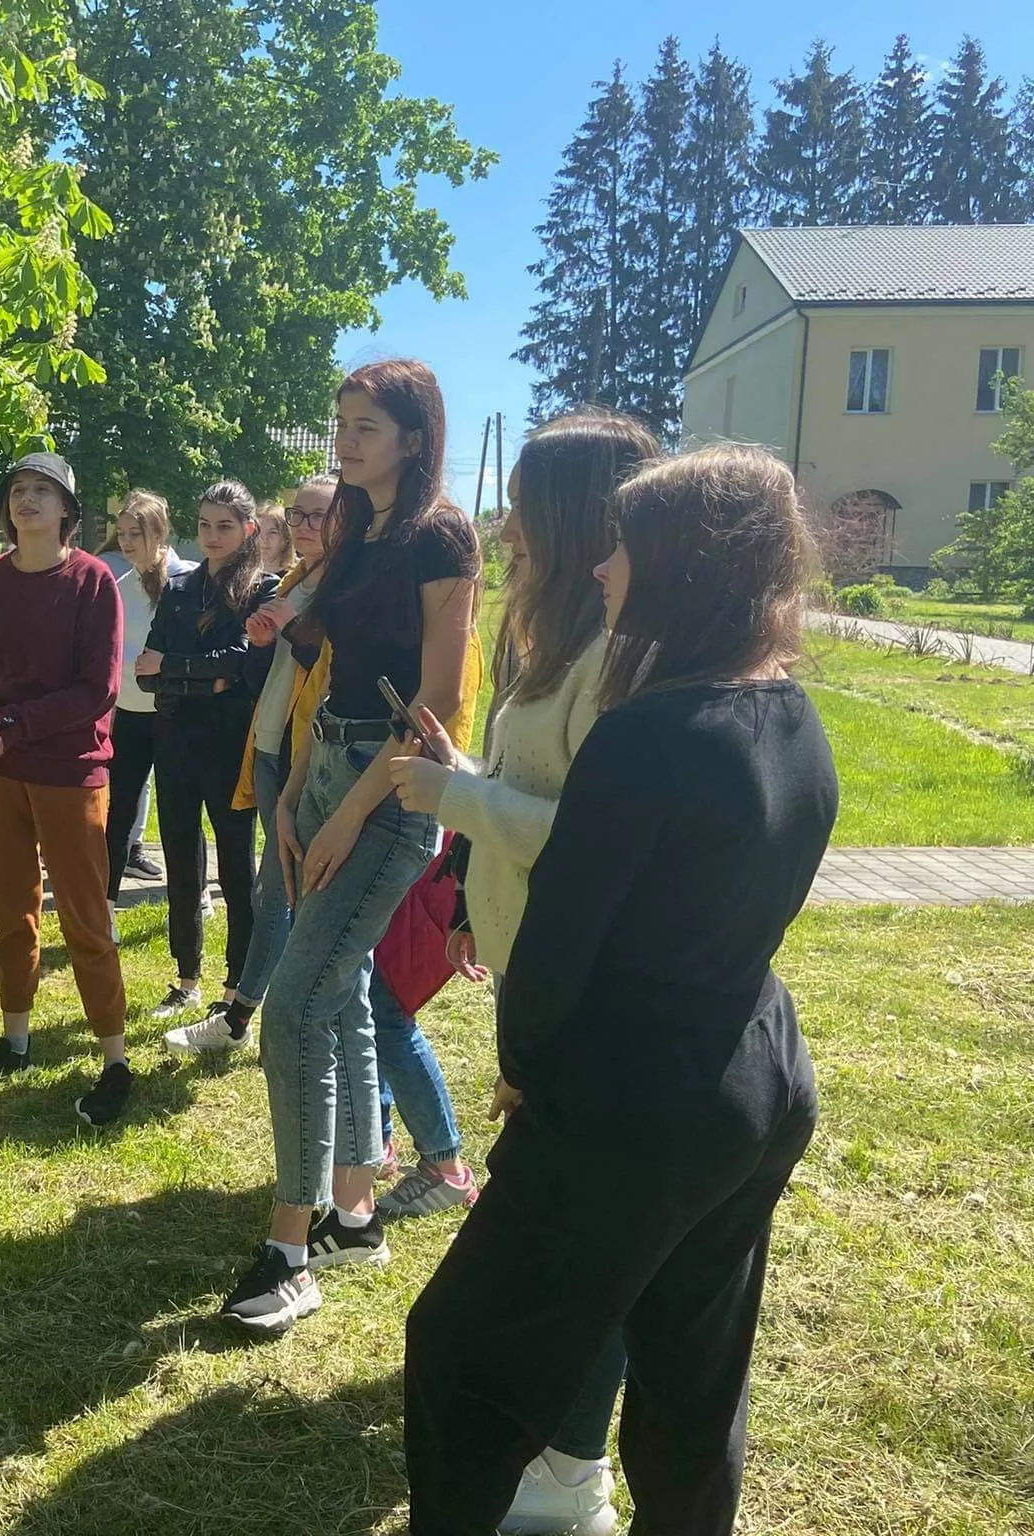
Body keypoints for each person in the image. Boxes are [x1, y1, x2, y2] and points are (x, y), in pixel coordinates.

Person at [400, 444, 837, 1536]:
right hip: (755, 1081)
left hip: (631, 1107)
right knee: (692, 1380)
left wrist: (523, 1078)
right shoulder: (789, 715)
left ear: (681, 568)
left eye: (624, 549)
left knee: (457, 1358)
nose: (601, 570)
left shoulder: (646, 737)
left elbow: (554, 953)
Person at [387, 408, 659, 1535]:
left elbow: (589, 836)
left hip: (591, 988)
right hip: (535, 965)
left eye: (526, 502)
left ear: (580, 514)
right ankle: (557, 1447)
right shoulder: (553, 627)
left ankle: (567, 1470)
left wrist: (450, 798)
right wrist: (462, 887)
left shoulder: (621, 654)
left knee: (576, 1240)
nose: (504, 523)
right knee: (559, 1228)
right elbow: (517, 783)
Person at [218, 360, 479, 1335]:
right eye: (340, 422)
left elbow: (440, 701)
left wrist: (342, 810)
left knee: (291, 1005)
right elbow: (324, 662)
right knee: (336, 996)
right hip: (323, 765)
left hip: (393, 788)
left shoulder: (439, 535)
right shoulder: (357, 532)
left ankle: (290, 1251)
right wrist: (291, 797)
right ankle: (351, 1215)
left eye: (366, 424)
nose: (346, 438)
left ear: (413, 436)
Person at [0, 451, 132, 1126]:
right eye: (19, 490)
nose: (27, 500)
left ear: (67, 512)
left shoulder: (92, 583)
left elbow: (97, 690)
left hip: (70, 773)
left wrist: (16, 724)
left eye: (42, 491)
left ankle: (114, 1059)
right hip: (0, 771)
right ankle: (15, 1039)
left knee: (85, 919)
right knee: (10, 912)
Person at [134, 481, 276, 1020]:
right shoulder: (178, 587)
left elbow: (239, 664)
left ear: (248, 530)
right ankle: (185, 977)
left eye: (225, 526)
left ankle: (236, 985)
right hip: (172, 740)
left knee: (237, 866)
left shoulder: (263, 589)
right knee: (180, 860)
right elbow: (146, 670)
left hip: (230, 745)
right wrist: (199, 677)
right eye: (205, 525)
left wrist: (176, 670)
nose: (213, 536)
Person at [100, 492, 195, 893]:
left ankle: (194, 892)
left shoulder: (189, 578)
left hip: (176, 714)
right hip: (130, 715)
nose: (125, 541)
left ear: (158, 532)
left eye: (134, 533)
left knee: (181, 813)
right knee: (119, 811)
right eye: (120, 533)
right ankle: (104, 903)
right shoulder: (120, 586)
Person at [254, 501, 293, 576]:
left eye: (272, 532)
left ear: (286, 538)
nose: (264, 539)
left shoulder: (296, 576)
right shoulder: (241, 573)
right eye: (258, 531)